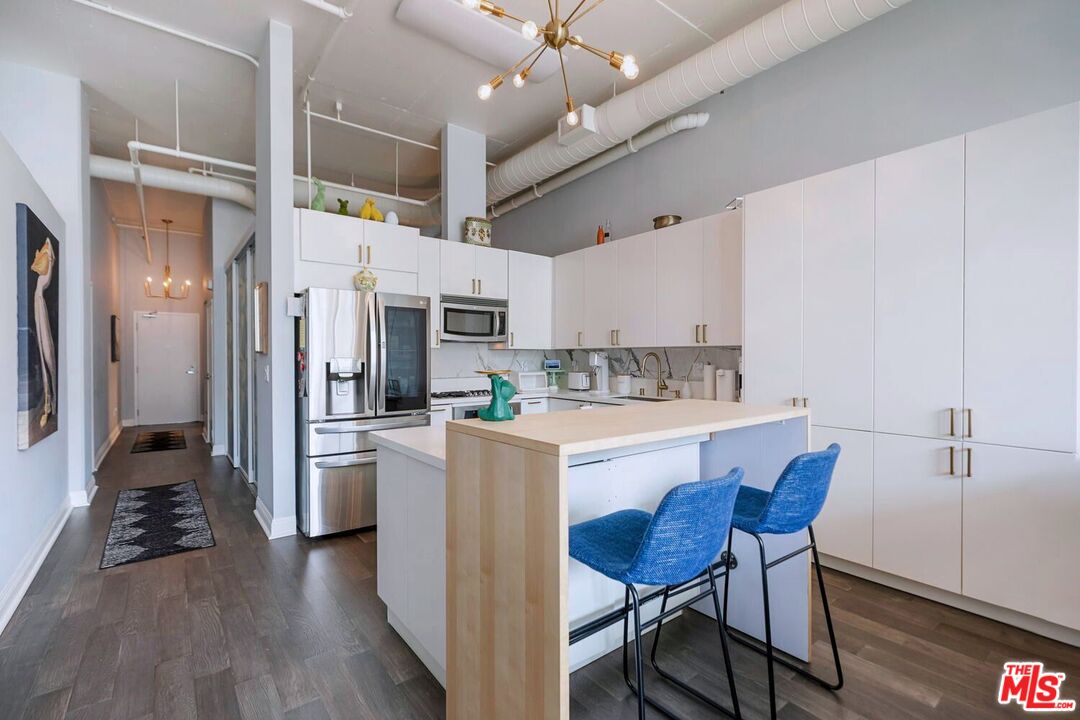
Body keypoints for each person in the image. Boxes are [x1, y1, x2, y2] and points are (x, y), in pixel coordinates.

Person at [30, 237, 56, 429]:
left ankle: (50, 400)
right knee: (42, 350)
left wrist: (46, 251)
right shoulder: (40, 287)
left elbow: (44, 260)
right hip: (38, 303)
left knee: (47, 352)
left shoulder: (50, 255)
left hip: (41, 305)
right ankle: (48, 402)